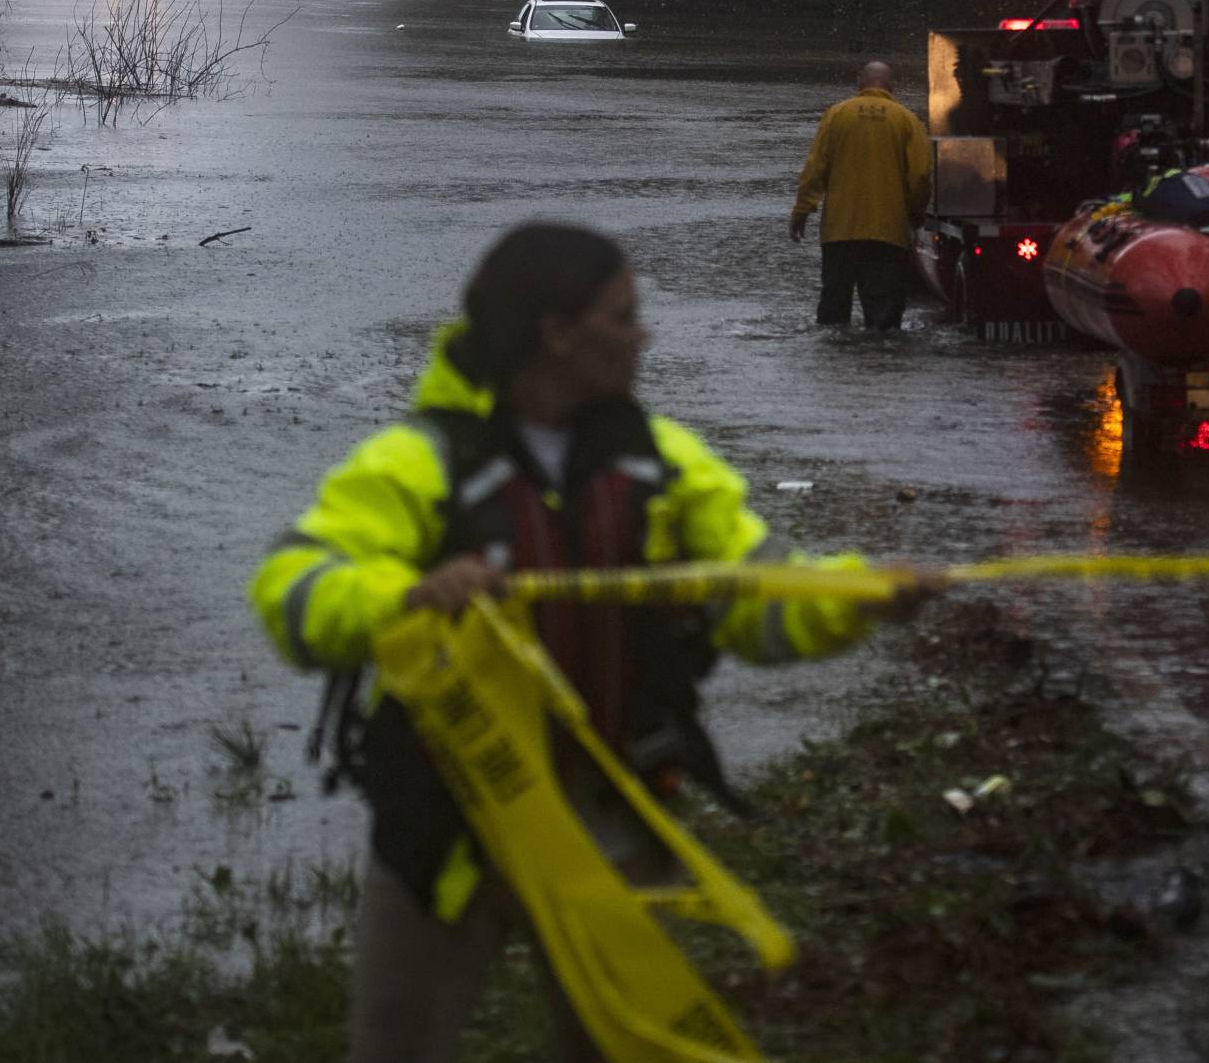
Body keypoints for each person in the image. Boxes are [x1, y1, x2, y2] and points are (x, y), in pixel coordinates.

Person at [250, 223, 938, 1063]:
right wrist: (404, 598)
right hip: (449, 832)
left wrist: (857, 598)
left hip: (615, 831)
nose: (643, 335)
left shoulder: (665, 466)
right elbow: (292, 591)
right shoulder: (417, 462)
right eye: (623, 317)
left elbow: (759, 606)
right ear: (557, 334)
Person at [788, 61, 932, 330]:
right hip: (888, 233)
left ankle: (836, 362)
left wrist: (801, 211)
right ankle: (879, 361)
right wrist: (915, 216)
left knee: (833, 311)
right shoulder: (907, 120)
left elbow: (814, 169)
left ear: (859, 84)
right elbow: (921, 176)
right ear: (891, 87)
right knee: (884, 318)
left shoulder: (837, 115)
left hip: (839, 232)